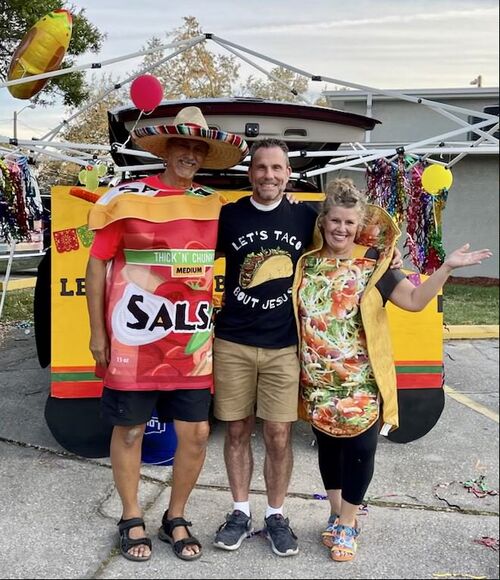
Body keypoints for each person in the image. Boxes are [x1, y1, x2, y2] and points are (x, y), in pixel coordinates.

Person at [212, 138, 401, 557]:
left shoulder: (305, 217)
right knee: (237, 430)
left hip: (284, 345)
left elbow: (350, 230)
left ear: (288, 174)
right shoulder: (229, 215)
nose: (269, 175)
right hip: (233, 341)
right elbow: (191, 254)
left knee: (279, 434)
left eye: (277, 168)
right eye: (262, 167)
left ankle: (276, 515)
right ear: (251, 172)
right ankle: (239, 511)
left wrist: (392, 256)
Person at [293, 177, 492, 563]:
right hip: (317, 382)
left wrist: (447, 268)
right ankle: (335, 513)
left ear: (358, 226)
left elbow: (415, 301)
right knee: (329, 449)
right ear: (323, 221)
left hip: (362, 381)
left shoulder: (374, 265)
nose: (341, 229)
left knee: (360, 450)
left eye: (349, 223)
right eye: (335, 220)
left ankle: (348, 522)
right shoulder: (306, 263)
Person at [85, 106, 248, 563]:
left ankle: (175, 515)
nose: (191, 154)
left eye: (199, 148)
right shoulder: (126, 198)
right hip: (133, 339)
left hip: (190, 341)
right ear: (166, 149)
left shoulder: (214, 204)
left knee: (196, 433)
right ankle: (131, 516)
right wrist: (97, 333)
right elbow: (97, 264)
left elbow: (263, 236)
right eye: (183, 145)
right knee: (130, 431)